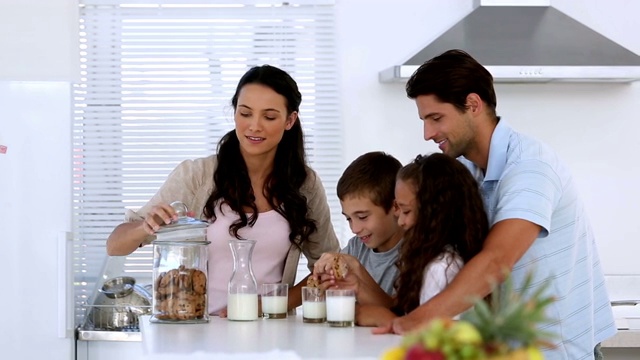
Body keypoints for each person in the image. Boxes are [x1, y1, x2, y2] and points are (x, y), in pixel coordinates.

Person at [385, 49, 616, 359]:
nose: (427, 133)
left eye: (435, 118)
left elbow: (496, 261)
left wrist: (418, 320)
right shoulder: (466, 173)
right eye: (424, 119)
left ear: (473, 105)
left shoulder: (530, 166)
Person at [106, 64, 340, 316]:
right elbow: (115, 245)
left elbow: (328, 267)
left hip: (271, 334)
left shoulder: (305, 184)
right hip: (196, 332)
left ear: (289, 120)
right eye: (245, 113)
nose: (254, 126)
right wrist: (146, 227)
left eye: (269, 117)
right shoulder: (198, 175)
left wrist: (261, 307)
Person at [355, 153, 488, 325]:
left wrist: (386, 319)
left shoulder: (442, 268)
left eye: (407, 211)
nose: (401, 221)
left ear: (435, 213)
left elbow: (437, 337)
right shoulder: (425, 260)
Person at [311, 151, 404, 307]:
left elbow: (400, 315)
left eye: (362, 217)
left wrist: (357, 269)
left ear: (396, 206)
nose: (355, 229)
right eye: (349, 219)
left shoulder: (416, 253)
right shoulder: (356, 247)